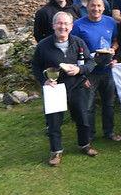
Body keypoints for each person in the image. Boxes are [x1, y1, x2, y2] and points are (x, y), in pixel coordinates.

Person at [31, 11, 97, 166]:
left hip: (76, 86)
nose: (63, 27)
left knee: (83, 118)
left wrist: (80, 70)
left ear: (71, 26)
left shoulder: (78, 42)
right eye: (60, 23)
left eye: (66, 24)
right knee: (54, 122)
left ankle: (85, 145)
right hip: (55, 88)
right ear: (53, 25)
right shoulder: (43, 45)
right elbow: (35, 67)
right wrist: (44, 81)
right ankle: (56, 152)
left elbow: (90, 62)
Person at [71, 0, 121, 143]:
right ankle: (89, 135)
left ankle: (109, 132)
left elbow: (116, 40)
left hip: (107, 71)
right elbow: (73, 49)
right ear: (87, 7)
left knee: (109, 104)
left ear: (104, 8)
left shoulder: (110, 22)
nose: (96, 9)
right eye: (93, 6)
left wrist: (113, 49)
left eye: (99, 6)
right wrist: (81, 74)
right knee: (89, 106)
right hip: (89, 72)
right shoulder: (78, 25)